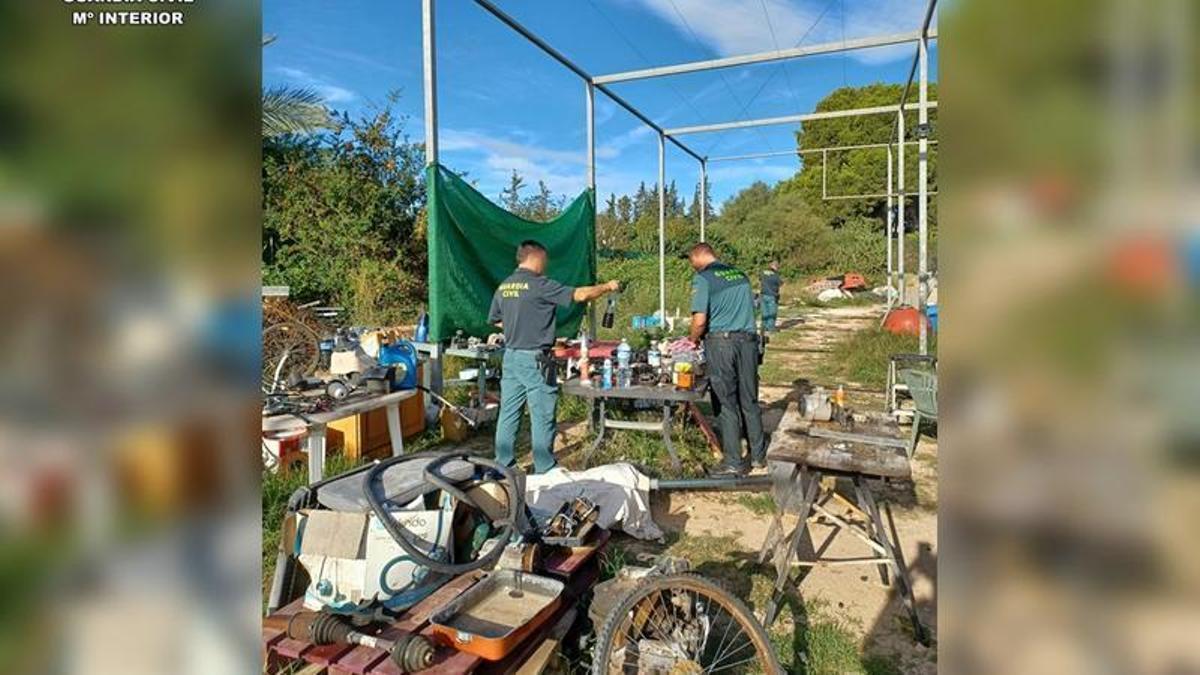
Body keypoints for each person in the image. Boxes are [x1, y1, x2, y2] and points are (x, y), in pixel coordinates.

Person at [489, 240, 620, 474]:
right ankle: (544, 467)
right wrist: (608, 286)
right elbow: (579, 295)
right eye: (545, 260)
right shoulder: (539, 284)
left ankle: (503, 466)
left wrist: (520, 326)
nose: (546, 265)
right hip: (535, 360)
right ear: (536, 257)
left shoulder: (505, 286)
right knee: (542, 413)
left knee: (508, 412)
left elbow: (497, 320)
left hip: (511, 356)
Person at [687, 243, 766, 475]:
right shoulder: (740, 275)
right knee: (749, 400)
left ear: (698, 256)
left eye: (691, 261)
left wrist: (692, 340)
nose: (692, 266)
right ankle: (759, 457)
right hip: (749, 343)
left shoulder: (703, 278)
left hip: (722, 344)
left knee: (725, 402)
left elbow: (700, 320)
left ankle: (733, 462)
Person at [760, 260, 782, 332]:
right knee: (772, 312)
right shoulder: (776, 275)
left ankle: (763, 326)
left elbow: (760, 279)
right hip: (772, 295)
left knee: (764, 312)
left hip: (763, 294)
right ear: (776, 267)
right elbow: (780, 283)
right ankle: (771, 328)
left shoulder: (763, 272)